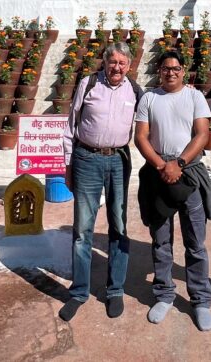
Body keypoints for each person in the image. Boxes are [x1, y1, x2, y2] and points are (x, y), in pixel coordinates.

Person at [59, 42, 143, 322]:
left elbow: (148, 125)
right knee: (83, 229)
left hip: (119, 160)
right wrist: (68, 166)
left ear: (129, 66)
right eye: (112, 62)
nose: (117, 67)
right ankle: (79, 292)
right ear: (105, 63)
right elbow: (71, 126)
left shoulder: (135, 91)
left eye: (122, 63)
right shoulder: (88, 84)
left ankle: (115, 289)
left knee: (118, 225)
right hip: (86, 158)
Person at [133, 51, 211, 331]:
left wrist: (179, 163)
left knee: (195, 242)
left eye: (176, 68)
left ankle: (201, 299)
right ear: (159, 71)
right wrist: (162, 165)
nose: (171, 72)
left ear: (184, 71)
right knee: (161, 241)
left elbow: (202, 134)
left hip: (189, 173)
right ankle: (164, 294)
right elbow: (141, 136)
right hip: (158, 174)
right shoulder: (148, 98)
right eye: (166, 68)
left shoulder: (194, 97)